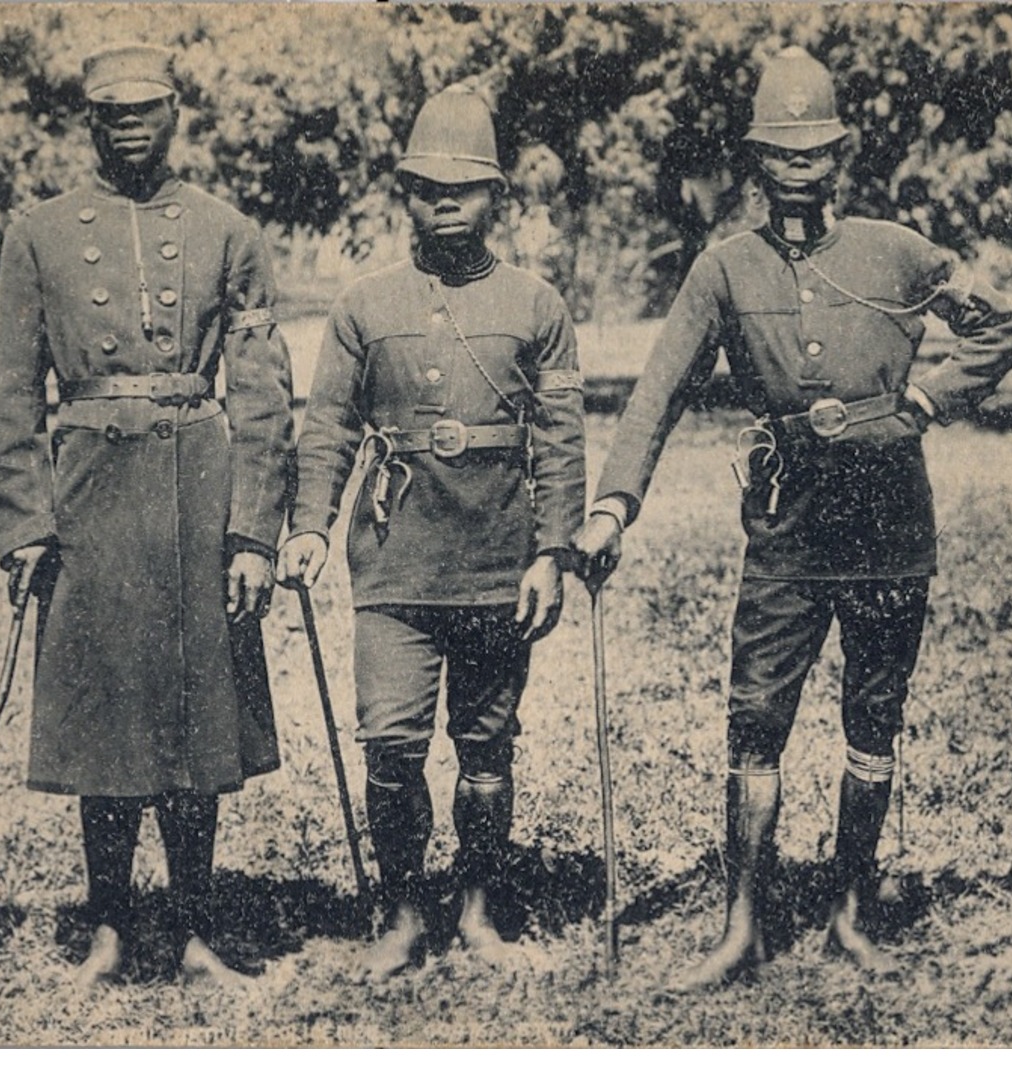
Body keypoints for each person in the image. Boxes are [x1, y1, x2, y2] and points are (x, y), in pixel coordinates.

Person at [573, 46, 1012, 989]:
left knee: (873, 714)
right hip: (786, 524)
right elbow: (656, 394)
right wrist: (612, 507)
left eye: (815, 151)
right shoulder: (722, 268)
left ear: (842, 154)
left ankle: (852, 914)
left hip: (890, 522)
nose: (798, 169)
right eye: (780, 154)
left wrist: (929, 401)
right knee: (756, 721)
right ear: (754, 161)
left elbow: (999, 329)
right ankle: (741, 929)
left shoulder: (897, 251)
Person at [0, 43, 294, 987]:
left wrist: (253, 532)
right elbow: (7, 392)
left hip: (196, 486)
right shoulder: (39, 233)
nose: (128, 124)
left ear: (173, 114)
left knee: (200, 719)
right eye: (109, 112)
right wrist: (24, 524)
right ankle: (110, 926)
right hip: (89, 499)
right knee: (105, 716)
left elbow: (266, 393)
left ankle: (198, 932)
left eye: (145, 108)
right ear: (89, 121)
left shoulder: (227, 230)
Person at [279, 87, 587, 981]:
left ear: (497, 196)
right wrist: (308, 524)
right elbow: (328, 426)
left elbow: (561, 442)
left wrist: (552, 551)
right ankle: (405, 914)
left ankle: (483, 912)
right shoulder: (364, 306)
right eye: (425, 187)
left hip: (497, 558)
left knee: (487, 746)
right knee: (392, 745)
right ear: (403, 194)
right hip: (393, 557)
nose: (445, 202)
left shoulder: (537, 305)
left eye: (465, 187)